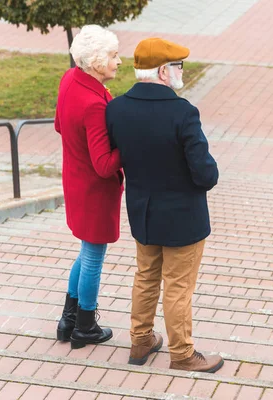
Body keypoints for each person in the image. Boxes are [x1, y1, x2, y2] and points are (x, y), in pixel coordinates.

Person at [106, 37, 222, 373]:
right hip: (182, 218)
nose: (180, 71)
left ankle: (141, 340)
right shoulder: (183, 113)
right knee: (178, 286)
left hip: (142, 211)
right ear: (162, 71)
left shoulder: (116, 109)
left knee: (145, 277)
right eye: (177, 66)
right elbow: (204, 173)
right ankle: (183, 354)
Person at [54, 25, 124, 350]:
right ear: (96, 61)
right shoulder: (94, 104)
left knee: (85, 252)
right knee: (93, 256)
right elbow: (105, 165)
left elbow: (58, 125)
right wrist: (128, 144)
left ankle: (68, 320)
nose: (118, 61)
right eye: (112, 56)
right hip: (95, 190)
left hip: (75, 180)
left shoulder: (71, 79)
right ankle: (85, 327)